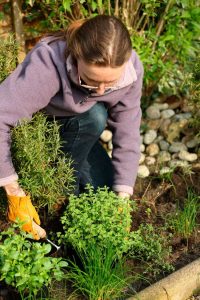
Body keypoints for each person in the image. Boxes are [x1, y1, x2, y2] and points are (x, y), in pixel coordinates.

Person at [0, 15, 143, 240]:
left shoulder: (131, 69)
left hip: (78, 128)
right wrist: (13, 192)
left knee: (105, 192)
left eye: (110, 83)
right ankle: (58, 199)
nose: (100, 91)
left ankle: (69, 185)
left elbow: (129, 129)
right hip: (38, 131)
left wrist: (123, 196)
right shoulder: (48, 61)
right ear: (76, 57)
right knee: (96, 116)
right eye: (91, 80)